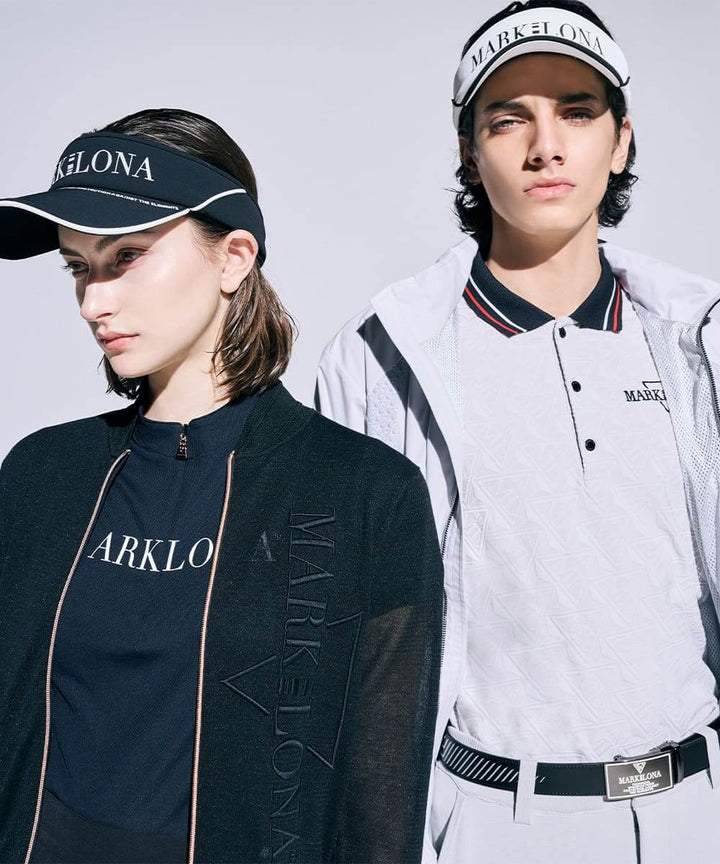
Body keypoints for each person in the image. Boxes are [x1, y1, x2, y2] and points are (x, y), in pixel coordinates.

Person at [315, 2, 720, 861]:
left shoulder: (700, 342)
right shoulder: (379, 359)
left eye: (577, 112)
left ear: (620, 141)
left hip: (698, 812)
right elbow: (340, 636)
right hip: (496, 824)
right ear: (468, 150)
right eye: (509, 120)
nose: (546, 146)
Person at [0, 108, 443, 864]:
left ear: (234, 258)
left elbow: (379, 807)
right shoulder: (41, 474)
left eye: (127, 256)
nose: (93, 302)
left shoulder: (365, 493)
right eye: (78, 266)